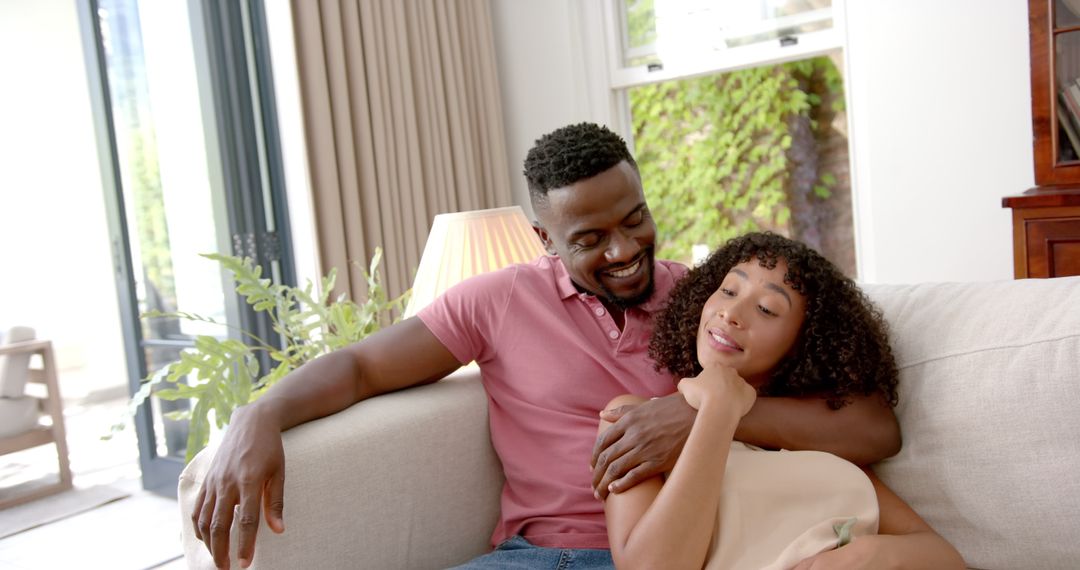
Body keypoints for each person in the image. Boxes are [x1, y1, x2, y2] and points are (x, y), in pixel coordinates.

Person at [190, 123, 901, 570]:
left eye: (635, 219)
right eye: (590, 239)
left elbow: (871, 427)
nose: (625, 251)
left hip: (688, 550)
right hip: (539, 555)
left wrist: (708, 414)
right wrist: (258, 414)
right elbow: (361, 366)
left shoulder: (710, 303)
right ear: (545, 239)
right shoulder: (495, 301)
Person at [599, 232, 964, 569]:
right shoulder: (636, 421)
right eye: (728, 291)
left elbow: (944, 557)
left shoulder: (820, 443)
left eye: (767, 309)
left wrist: (862, 555)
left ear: (802, 346)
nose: (731, 313)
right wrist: (717, 410)